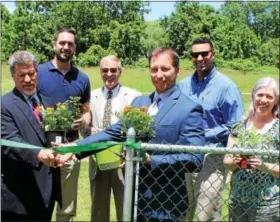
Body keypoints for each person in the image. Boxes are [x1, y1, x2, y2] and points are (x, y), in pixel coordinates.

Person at [54, 47, 205, 221]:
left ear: (177, 70)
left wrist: (151, 160)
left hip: (166, 202)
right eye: (154, 69)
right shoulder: (140, 102)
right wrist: (75, 147)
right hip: (135, 199)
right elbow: (114, 132)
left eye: (165, 69)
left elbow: (195, 158)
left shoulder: (189, 108)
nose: (158, 74)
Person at [178, 37, 243, 221]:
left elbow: (236, 125)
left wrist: (202, 134)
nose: (199, 58)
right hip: (184, 155)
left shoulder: (226, 87)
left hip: (212, 156)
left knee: (207, 214)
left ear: (212, 54)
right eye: (195, 54)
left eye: (204, 53)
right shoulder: (182, 85)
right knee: (182, 211)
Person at [37, 28, 91, 222]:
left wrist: (85, 119)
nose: (66, 47)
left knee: (66, 208)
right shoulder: (38, 72)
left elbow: (86, 110)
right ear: (54, 44)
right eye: (62, 43)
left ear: (75, 48)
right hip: (42, 149)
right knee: (39, 203)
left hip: (69, 150)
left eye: (70, 44)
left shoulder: (82, 79)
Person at [1, 51, 62, 221]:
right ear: (13, 75)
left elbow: (54, 136)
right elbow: (10, 141)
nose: (28, 79)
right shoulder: (4, 105)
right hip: (18, 197)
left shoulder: (48, 102)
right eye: (21, 75)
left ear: (37, 72)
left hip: (47, 192)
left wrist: (63, 151)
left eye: (31, 73)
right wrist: (38, 154)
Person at [86, 55, 141, 222]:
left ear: (120, 72)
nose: (109, 74)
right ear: (100, 72)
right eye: (105, 70)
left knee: (124, 206)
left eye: (113, 70)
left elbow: (139, 128)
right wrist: (89, 131)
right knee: (98, 208)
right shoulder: (91, 97)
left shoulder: (133, 96)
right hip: (98, 159)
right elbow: (84, 126)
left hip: (122, 160)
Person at [224, 77, 279, 222]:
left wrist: (265, 166)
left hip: (267, 205)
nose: (263, 100)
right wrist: (235, 161)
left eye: (269, 96)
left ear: (276, 101)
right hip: (237, 201)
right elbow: (227, 161)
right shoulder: (239, 126)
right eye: (260, 95)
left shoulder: (277, 129)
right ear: (253, 96)